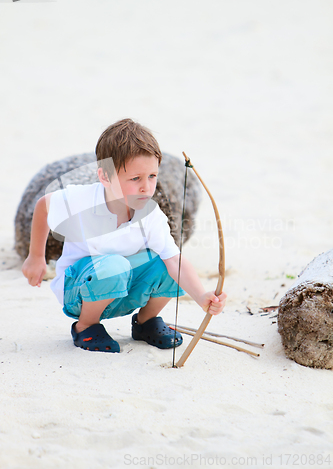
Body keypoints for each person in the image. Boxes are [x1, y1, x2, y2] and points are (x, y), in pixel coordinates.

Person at [22, 119, 227, 353]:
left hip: (123, 290)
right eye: (135, 179)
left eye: (152, 176)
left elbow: (174, 260)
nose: (147, 188)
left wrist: (202, 296)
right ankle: (86, 327)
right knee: (114, 265)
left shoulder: (150, 214)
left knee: (167, 263)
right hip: (78, 292)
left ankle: (145, 322)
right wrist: (36, 256)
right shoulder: (82, 199)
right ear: (105, 177)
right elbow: (44, 206)